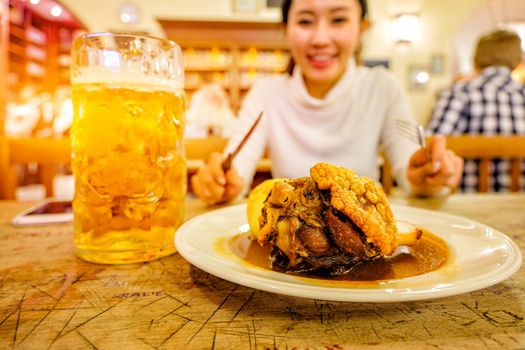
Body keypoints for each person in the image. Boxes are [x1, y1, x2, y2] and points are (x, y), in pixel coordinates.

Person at [192, 0, 464, 205]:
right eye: (305, 21)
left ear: (362, 28)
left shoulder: (382, 87)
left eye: (338, 20)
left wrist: (428, 175)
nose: (321, 39)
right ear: (286, 29)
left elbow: (410, 169)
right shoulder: (266, 94)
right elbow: (236, 172)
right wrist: (220, 183)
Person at [427, 29, 525, 192]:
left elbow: (431, 149)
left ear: (475, 61)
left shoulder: (458, 93)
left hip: (463, 205)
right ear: (517, 62)